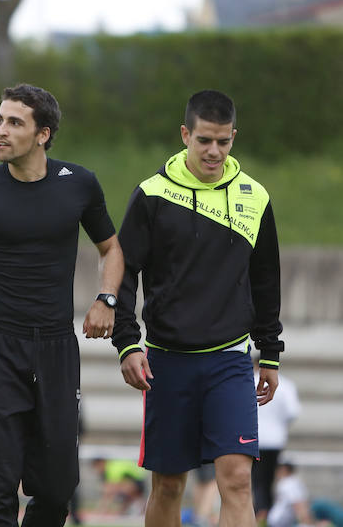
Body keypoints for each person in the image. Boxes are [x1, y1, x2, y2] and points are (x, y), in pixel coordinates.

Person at [0, 83, 124, 527]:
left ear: (43, 134)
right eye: (0, 120)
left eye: (14, 122)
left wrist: (107, 299)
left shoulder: (79, 183)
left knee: (58, 488)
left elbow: (112, 250)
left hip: (57, 347)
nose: (1, 131)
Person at [112, 89, 285, 527]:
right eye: (204, 140)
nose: (214, 151)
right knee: (169, 484)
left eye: (223, 141)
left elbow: (266, 282)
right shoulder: (152, 195)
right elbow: (122, 271)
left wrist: (269, 353)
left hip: (230, 361)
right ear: (185, 134)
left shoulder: (255, 198)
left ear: (233, 138)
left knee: (238, 479)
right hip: (167, 362)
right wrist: (127, 344)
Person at [253, 355, 301, 523]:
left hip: (252, 438)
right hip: (275, 439)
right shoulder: (286, 385)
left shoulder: (249, 381)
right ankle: (266, 514)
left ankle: (259, 513)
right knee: (268, 480)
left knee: (254, 481)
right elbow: (293, 412)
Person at [267, 460, 343, 527]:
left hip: (282, 522)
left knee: (321, 504)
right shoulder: (289, 482)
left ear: (283, 469)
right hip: (283, 523)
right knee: (321, 504)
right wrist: (314, 524)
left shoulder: (288, 482)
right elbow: (300, 507)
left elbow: (300, 507)